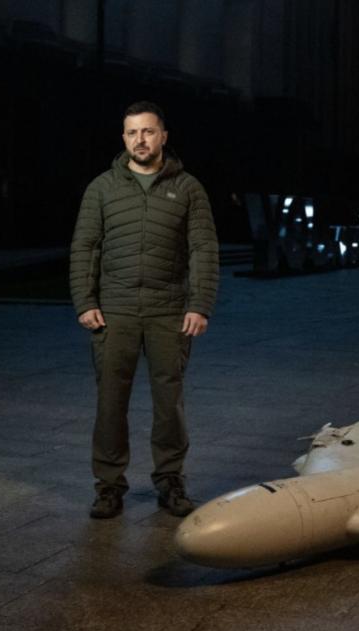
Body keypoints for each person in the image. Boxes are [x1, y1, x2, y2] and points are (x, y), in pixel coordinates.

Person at [70, 101, 219, 519]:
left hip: (168, 312)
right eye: (133, 132)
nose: (140, 139)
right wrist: (85, 301)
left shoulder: (188, 188)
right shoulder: (102, 188)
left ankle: (170, 480)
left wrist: (199, 305)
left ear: (163, 136)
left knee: (169, 402)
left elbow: (203, 249)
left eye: (148, 131)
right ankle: (108, 485)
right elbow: (85, 246)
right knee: (110, 402)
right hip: (113, 312)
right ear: (123, 138)